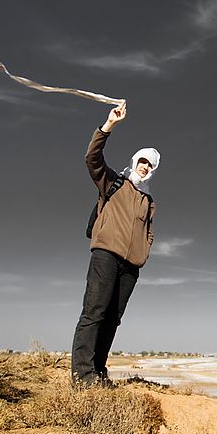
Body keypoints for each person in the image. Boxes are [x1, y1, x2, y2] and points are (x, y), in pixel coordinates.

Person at [71, 102, 159, 385]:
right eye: (142, 161)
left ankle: (98, 371)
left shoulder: (149, 200)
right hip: (106, 255)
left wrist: (143, 253)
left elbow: (148, 231)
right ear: (134, 161)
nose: (145, 167)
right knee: (94, 311)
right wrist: (108, 126)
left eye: (150, 164)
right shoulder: (113, 182)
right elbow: (92, 158)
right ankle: (81, 375)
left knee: (112, 320)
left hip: (131, 266)